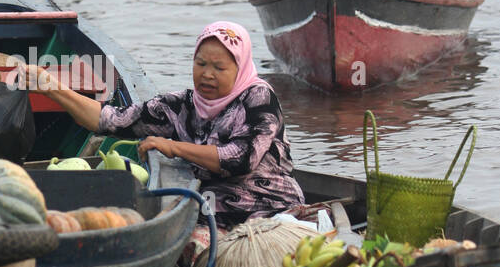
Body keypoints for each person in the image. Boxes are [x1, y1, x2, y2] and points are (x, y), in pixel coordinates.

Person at [27, 21, 304, 232]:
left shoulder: (258, 97)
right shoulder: (181, 106)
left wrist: (173, 147)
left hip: (269, 207)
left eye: (219, 68)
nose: (207, 74)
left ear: (240, 69)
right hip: (209, 210)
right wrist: (51, 87)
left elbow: (242, 158)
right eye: (200, 63)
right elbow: (107, 119)